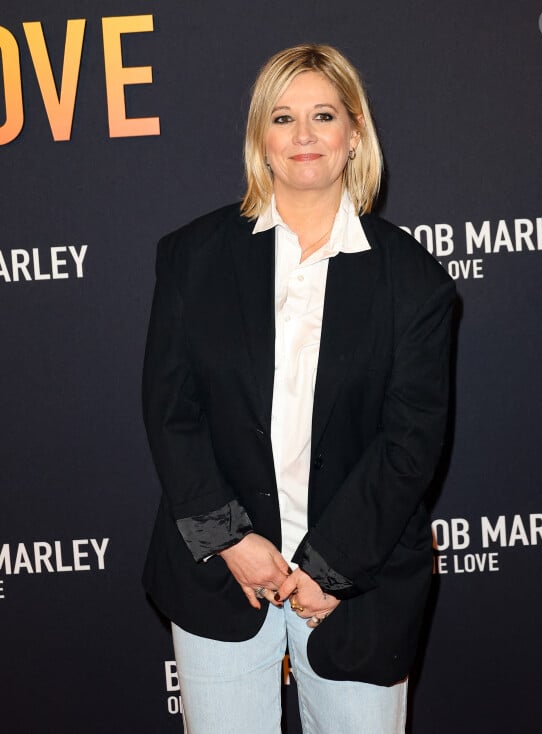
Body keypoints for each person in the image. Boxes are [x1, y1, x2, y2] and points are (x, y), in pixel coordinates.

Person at [142, 44, 455, 734]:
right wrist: (230, 539)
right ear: (261, 139)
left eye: (323, 115)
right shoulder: (193, 258)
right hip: (220, 573)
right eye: (283, 118)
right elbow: (171, 415)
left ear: (355, 135)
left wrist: (331, 568)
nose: (304, 136)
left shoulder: (415, 282)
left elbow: (410, 444)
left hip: (359, 580)